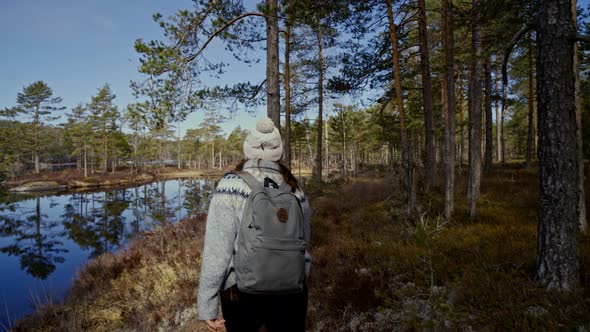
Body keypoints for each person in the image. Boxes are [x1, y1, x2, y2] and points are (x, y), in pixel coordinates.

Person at [197, 117, 311, 332]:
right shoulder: (295, 189)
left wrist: (208, 304)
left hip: (240, 293)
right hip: (291, 291)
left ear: (248, 148)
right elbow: (304, 248)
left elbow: (217, 251)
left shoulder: (231, 185)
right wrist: (298, 278)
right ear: (278, 151)